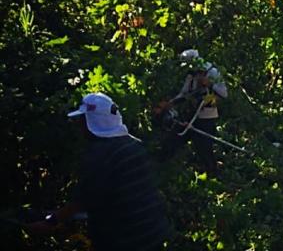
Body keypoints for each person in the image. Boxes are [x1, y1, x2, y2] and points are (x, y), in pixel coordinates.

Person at [25, 92, 172, 251]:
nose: (79, 125)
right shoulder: (133, 146)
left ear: (92, 122)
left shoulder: (100, 154)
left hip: (125, 241)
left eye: (82, 120)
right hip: (153, 233)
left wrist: (50, 222)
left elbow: (82, 201)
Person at [158, 49, 228, 174]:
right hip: (190, 114)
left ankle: (212, 173)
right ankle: (160, 166)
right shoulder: (191, 75)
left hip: (207, 116)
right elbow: (184, 93)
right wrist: (170, 103)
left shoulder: (212, 72)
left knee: (204, 147)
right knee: (174, 138)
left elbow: (224, 94)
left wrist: (210, 84)